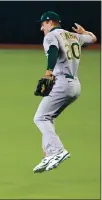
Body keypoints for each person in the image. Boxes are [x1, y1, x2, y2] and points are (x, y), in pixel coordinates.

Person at [33, 11, 97, 173]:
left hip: (61, 82)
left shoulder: (50, 36)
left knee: (40, 117)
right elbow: (93, 38)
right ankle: (49, 154)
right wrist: (84, 32)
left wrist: (48, 71)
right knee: (49, 117)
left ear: (49, 22)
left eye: (42, 24)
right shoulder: (74, 36)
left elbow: (53, 51)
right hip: (75, 85)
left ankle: (57, 150)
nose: (42, 28)